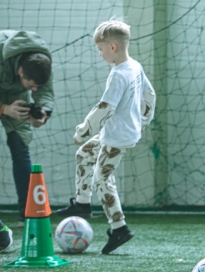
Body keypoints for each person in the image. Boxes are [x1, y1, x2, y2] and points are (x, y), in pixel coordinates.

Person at [56, 20, 156, 255]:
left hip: (116, 137)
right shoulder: (134, 66)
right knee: (84, 155)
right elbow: (149, 94)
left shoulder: (119, 75)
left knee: (102, 179)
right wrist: (144, 119)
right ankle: (82, 204)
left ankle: (119, 228)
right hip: (118, 132)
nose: (99, 54)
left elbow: (105, 108)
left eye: (100, 49)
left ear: (113, 47)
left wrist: (83, 131)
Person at [0, 30, 53, 228]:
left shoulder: (42, 63)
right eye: (32, 86)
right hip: (6, 101)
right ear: (20, 71)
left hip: (16, 97)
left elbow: (45, 93)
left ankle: (26, 214)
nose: (35, 90)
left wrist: (43, 114)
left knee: (20, 149)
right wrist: (4, 109)